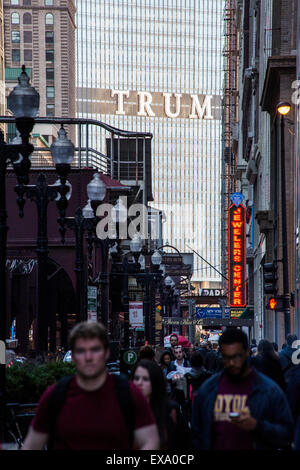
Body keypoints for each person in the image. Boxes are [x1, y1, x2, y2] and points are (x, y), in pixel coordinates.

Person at [22, 321, 159, 450]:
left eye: (95, 350)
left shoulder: (129, 393)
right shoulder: (55, 395)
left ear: (106, 353)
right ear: (73, 356)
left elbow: (150, 441)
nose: (88, 357)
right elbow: (31, 445)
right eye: (81, 351)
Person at [192, 328, 293, 450]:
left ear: (247, 353)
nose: (231, 363)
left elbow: (286, 434)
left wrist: (257, 426)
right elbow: (197, 435)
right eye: (226, 357)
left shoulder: (268, 390)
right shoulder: (208, 390)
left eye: (236, 357)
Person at [132, 359, 191, 449]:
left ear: (155, 382)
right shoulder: (126, 410)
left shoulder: (171, 411)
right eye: (136, 378)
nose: (139, 383)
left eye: (145, 379)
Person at [167, 346, 191, 410]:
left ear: (183, 353)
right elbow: (168, 378)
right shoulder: (171, 364)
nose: (178, 354)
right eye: (176, 353)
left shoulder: (188, 363)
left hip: (186, 392)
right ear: (174, 354)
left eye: (180, 352)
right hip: (175, 392)